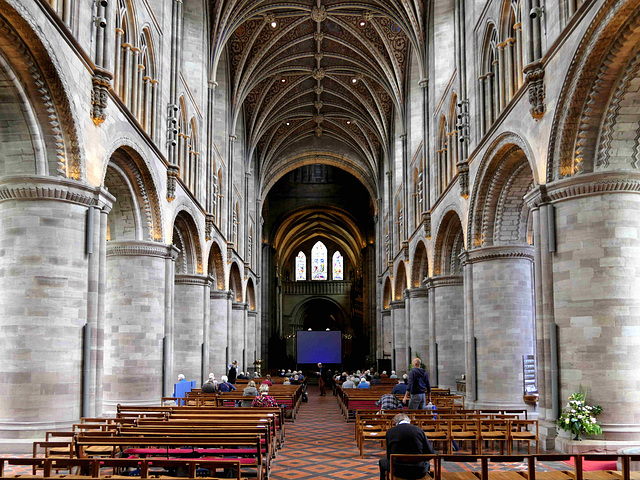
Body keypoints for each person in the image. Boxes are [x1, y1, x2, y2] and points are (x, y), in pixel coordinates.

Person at [379, 413, 434, 480]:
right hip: (418, 471)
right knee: (427, 463)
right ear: (409, 421)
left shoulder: (390, 431)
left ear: (396, 422)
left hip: (398, 470)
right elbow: (430, 453)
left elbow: (389, 455)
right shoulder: (419, 430)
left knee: (382, 462)